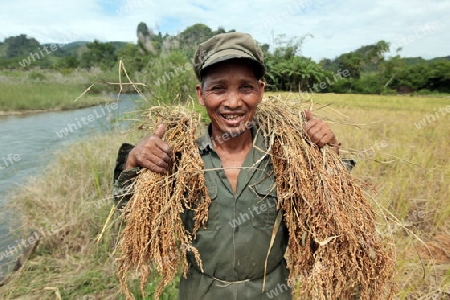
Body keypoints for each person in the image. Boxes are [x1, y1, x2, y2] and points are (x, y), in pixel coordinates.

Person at [113, 32, 348, 300]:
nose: (233, 102)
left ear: (260, 91)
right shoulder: (177, 158)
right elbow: (132, 217)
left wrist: (329, 151)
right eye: (219, 88)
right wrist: (133, 160)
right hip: (202, 292)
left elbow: (329, 214)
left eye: (245, 88)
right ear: (201, 95)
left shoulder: (287, 156)